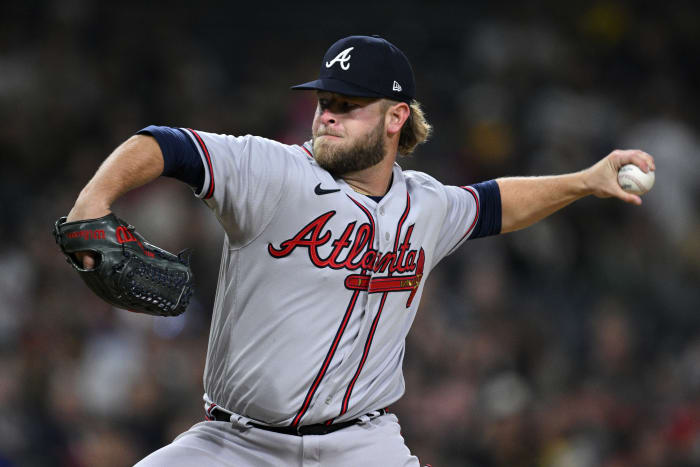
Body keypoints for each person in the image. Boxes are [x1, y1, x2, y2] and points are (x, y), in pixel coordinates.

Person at [66, 35, 655, 466]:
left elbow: (496, 203)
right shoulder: (273, 171)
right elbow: (165, 145)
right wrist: (94, 199)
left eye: (348, 106)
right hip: (237, 444)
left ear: (397, 117)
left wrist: (584, 180)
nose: (327, 116)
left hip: (362, 446)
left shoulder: (426, 205)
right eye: (325, 101)